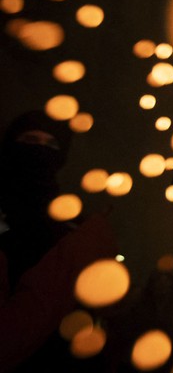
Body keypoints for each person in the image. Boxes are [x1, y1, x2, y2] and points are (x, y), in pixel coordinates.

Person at [0, 110, 117, 372]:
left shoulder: (70, 223)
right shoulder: (81, 235)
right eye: (30, 140)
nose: (40, 151)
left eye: (52, 144)